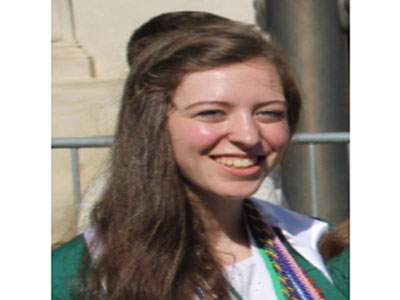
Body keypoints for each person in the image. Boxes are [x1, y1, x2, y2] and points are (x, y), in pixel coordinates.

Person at [52, 11, 349, 300]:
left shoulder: (322, 250)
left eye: (269, 113)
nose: (248, 135)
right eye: (212, 113)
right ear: (151, 124)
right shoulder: (74, 278)